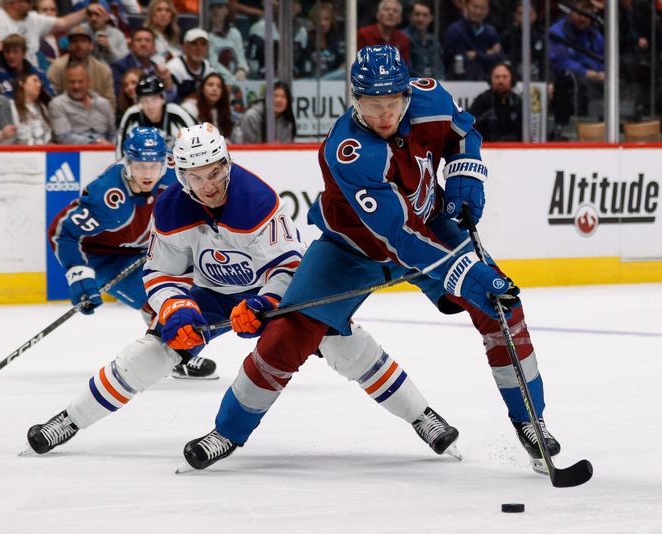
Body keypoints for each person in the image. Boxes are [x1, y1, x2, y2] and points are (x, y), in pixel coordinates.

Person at [181, 45, 562, 476]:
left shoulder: (430, 98)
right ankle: (227, 432)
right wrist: (470, 275)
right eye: (371, 104)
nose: (384, 115)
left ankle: (530, 421)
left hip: (432, 224)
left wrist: (464, 177)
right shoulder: (347, 151)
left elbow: (464, 134)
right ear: (354, 99)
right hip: (353, 247)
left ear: (407, 93)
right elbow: (399, 237)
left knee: (502, 306)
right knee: (288, 333)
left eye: (392, 103)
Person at [26, 122, 459, 460]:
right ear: (181, 176)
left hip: (276, 292)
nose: (210, 184)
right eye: (197, 176)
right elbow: (160, 274)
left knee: (345, 346)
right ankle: (69, 420)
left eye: (215, 172)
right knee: (152, 350)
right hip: (212, 293)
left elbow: (289, 266)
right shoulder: (172, 207)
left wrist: (265, 303)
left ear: (227, 163)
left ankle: (424, 417)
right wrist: (176, 309)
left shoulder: (256, 199)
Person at [44, 126, 218, 385]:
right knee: (155, 299)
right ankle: (175, 354)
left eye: (154, 166)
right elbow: (63, 233)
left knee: (190, 289)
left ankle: (176, 349)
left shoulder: (176, 172)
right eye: (139, 166)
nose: (147, 174)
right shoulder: (108, 198)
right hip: (104, 257)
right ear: (126, 163)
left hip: (144, 247)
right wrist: (79, 274)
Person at [548, 0, 604, 137]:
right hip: (567, 82)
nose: (582, 17)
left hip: (596, 82)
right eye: (579, 12)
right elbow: (559, 62)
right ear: (571, 11)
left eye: (587, 13)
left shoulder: (595, 34)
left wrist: (604, 72)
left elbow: (604, 56)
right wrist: (586, 73)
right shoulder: (557, 32)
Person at [116, 72, 196, 157]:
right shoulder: (131, 116)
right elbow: (120, 151)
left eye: (154, 100)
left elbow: (197, 141)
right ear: (139, 102)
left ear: (162, 98)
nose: (150, 106)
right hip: (141, 168)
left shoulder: (178, 114)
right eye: (145, 101)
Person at [0, 0, 86, 65]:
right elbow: (0, 54)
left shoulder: (32, 18)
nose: (31, 4)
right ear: (13, 3)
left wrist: (87, 11)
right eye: (27, 1)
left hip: (32, 73)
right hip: (9, 74)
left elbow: (64, 23)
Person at [47, 25, 116, 111]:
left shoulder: (103, 70)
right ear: (69, 45)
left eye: (83, 41)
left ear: (91, 46)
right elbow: (51, 99)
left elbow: (110, 103)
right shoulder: (57, 68)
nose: (79, 45)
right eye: (75, 41)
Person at [49, 61, 116, 144]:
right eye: (72, 82)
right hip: (74, 153)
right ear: (66, 83)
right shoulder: (57, 104)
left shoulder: (103, 103)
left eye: (80, 82)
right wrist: (95, 143)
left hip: (106, 151)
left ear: (88, 82)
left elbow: (113, 134)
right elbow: (63, 137)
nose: (76, 86)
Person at [442, 0, 503, 81]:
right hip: (459, 83)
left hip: (488, 82)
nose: (478, 11)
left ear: (488, 10)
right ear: (466, 6)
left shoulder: (491, 32)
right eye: (475, 7)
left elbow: (499, 58)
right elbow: (457, 60)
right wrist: (486, 53)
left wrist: (476, 55)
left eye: (482, 8)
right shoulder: (455, 31)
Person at [110, 27, 176, 100]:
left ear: (154, 47)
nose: (143, 44)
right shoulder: (119, 67)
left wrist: (168, 82)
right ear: (131, 46)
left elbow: (169, 99)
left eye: (148, 40)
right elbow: (120, 97)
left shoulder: (158, 70)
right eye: (139, 40)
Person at [468, 62, 523, 141]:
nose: (501, 81)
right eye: (497, 77)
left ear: (512, 80)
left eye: (504, 77)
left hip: (515, 149)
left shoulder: (518, 102)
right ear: (491, 80)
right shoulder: (481, 101)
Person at [0, 34, 55, 101]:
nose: (11, 56)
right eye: (7, 52)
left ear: (24, 53)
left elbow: (51, 97)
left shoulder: (38, 73)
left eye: (15, 51)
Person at [165, 27, 214, 103]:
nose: (199, 48)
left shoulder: (208, 68)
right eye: (194, 44)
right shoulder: (173, 68)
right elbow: (169, 99)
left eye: (203, 44)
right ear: (185, 47)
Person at [206, 0, 249, 84]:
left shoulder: (234, 33)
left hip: (236, 80)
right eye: (211, 8)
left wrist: (242, 69)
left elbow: (241, 58)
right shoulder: (206, 36)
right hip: (216, 81)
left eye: (219, 7)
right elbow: (213, 64)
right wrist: (232, 79)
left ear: (226, 10)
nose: (215, 11)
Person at [356, 0, 410, 67]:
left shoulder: (403, 39)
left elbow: (403, 67)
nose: (391, 13)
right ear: (378, 15)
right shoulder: (363, 34)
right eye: (386, 9)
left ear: (400, 19)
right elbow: (358, 62)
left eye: (395, 11)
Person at [181, 71, 233, 139]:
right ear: (202, 89)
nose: (215, 89)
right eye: (210, 85)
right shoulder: (190, 108)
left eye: (219, 86)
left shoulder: (222, 110)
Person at [403, 0, 444, 80]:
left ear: (431, 18)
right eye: (417, 14)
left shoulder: (434, 40)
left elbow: (439, 67)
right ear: (410, 16)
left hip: (435, 84)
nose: (420, 19)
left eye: (425, 15)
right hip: (413, 84)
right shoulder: (403, 37)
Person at [10, 71, 53, 144]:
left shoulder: (42, 107)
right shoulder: (11, 106)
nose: (39, 85)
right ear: (21, 83)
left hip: (45, 151)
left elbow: (48, 135)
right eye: (35, 81)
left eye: (40, 82)